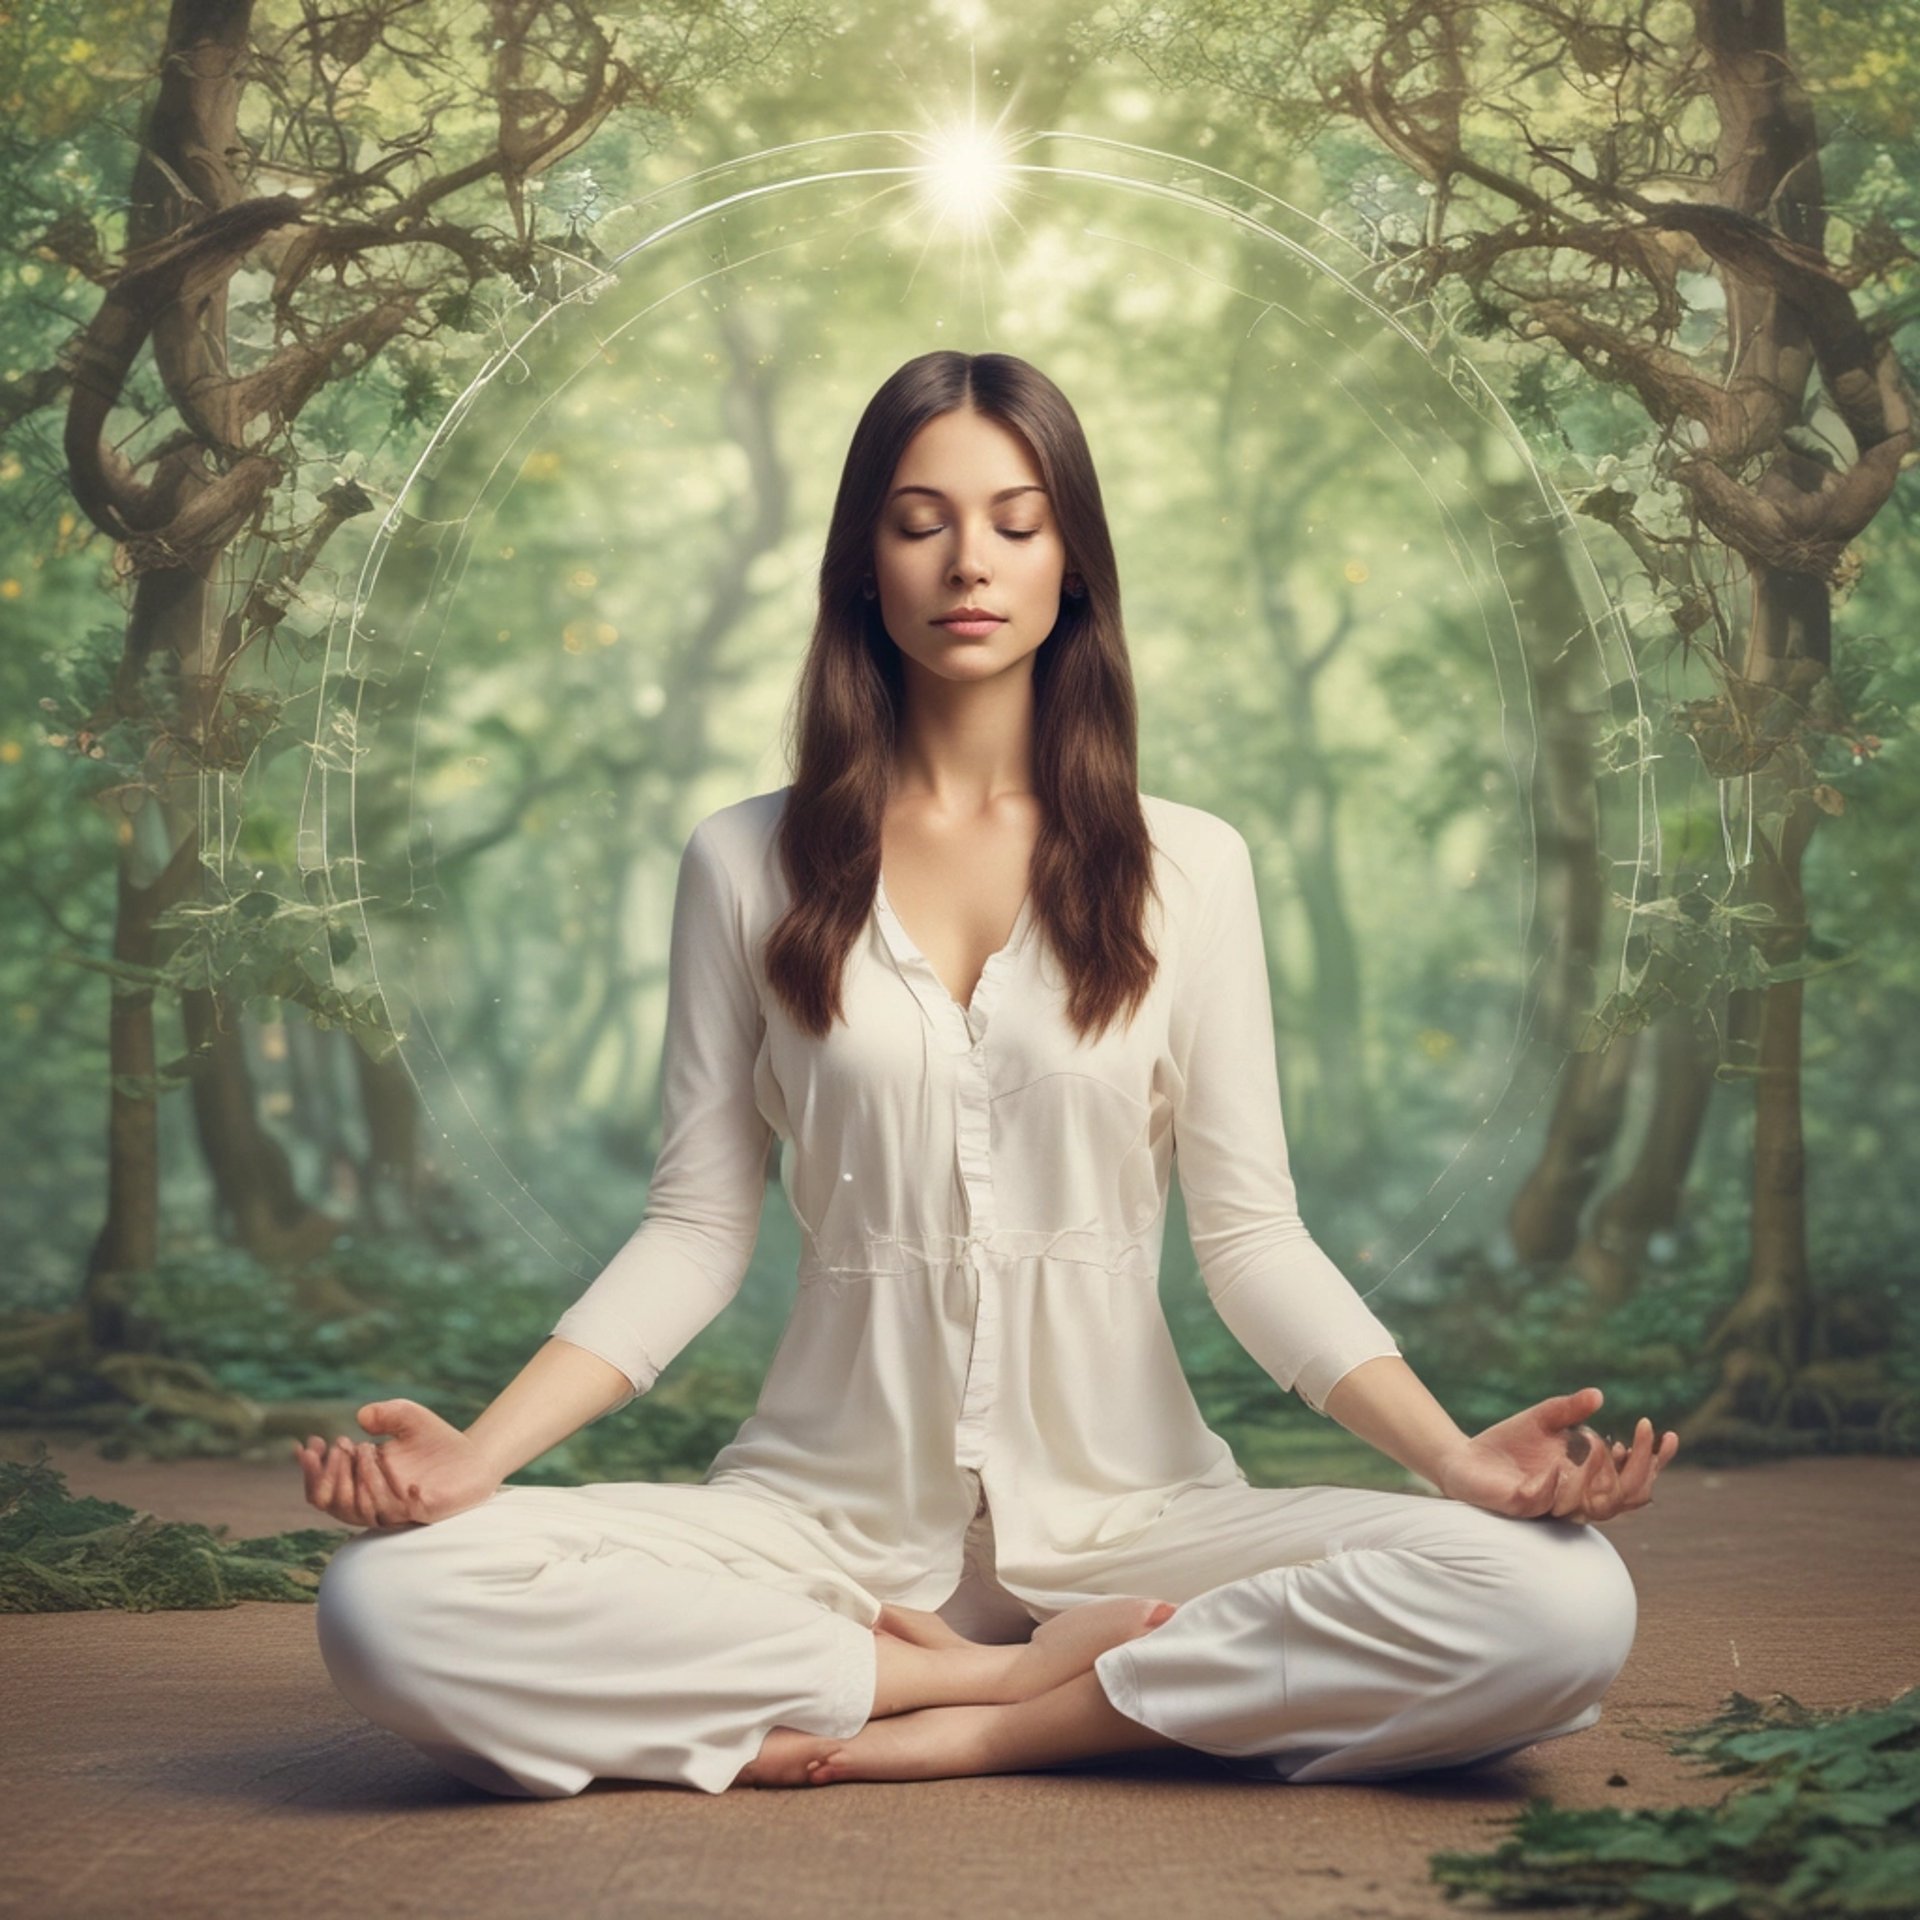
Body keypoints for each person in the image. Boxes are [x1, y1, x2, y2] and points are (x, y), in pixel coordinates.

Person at [300, 350, 1678, 1799]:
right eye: (919, 522)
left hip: (1138, 1523)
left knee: (1562, 1603)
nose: (971, 562)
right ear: (862, 566)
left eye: (1017, 523)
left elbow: (1253, 1238)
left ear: (1072, 562)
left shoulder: (1191, 867)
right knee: (387, 1608)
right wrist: (478, 1462)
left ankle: (1019, 1724)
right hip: (816, 1529)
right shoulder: (742, 860)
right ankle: (960, 1674)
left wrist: (1453, 1459)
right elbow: (696, 1231)